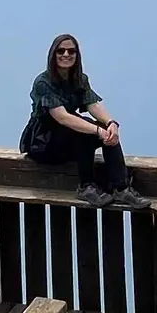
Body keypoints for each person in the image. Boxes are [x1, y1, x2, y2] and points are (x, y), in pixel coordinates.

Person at [25, 32, 140, 206]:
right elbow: (62, 118)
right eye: (61, 51)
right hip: (43, 143)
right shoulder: (43, 82)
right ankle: (86, 186)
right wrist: (97, 131)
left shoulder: (80, 79)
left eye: (71, 51)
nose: (66, 55)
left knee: (106, 131)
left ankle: (121, 187)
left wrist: (110, 124)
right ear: (53, 54)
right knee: (84, 131)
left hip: (66, 139)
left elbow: (93, 105)